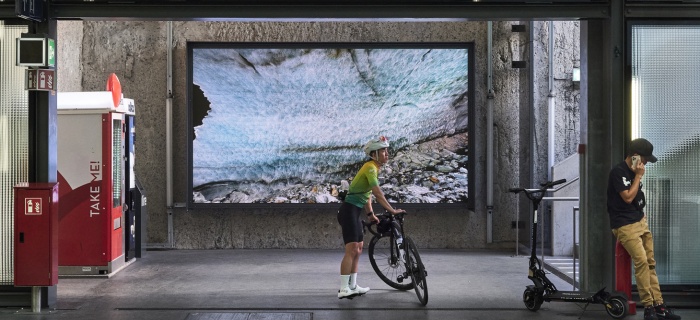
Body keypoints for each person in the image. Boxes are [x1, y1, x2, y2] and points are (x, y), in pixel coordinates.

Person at [606, 138, 680, 320]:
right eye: (645, 158)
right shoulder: (618, 172)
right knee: (641, 263)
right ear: (635, 156)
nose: (646, 162)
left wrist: (641, 213)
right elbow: (628, 198)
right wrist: (638, 176)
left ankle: (659, 306)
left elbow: (637, 200)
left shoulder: (635, 172)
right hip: (624, 225)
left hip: (640, 222)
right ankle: (648, 308)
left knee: (650, 264)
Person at [336, 135, 405, 299]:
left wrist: (370, 214)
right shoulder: (370, 167)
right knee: (351, 249)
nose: (387, 154)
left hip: (356, 211)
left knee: (358, 250)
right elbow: (377, 193)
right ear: (374, 154)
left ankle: (353, 286)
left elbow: (367, 195)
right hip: (348, 211)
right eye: (383, 151)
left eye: (387, 151)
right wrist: (392, 210)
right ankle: (343, 289)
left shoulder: (374, 168)